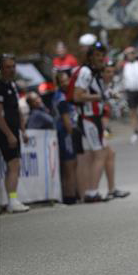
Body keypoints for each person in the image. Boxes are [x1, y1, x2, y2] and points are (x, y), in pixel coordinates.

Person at [73, 41, 109, 202]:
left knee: (89, 156)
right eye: (97, 55)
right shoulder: (86, 72)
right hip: (88, 118)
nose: (100, 58)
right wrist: (100, 97)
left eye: (102, 55)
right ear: (90, 57)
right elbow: (77, 95)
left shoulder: (94, 72)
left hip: (92, 117)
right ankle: (92, 192)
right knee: (99, 154)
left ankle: (88, 192)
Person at [0, 54, 29, 213]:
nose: (11, 70)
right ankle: (12, 200)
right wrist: (9, 134)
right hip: (4, 131)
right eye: (7, 67)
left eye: (13, 66)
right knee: (13, 164)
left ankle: (12, 199)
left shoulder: (13, 85)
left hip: (15, 130)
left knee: (14, 165)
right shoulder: (0, 86)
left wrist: (23, 131)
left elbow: (18, 110)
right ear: (1, 69)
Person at [100, 62, 131, 199]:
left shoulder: (110, 87)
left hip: (102, 123)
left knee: (110, 154)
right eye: (107, 71)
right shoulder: (98, 86)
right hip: (93, 124)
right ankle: (91, 191)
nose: (110, 74)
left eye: (112, 71)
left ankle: (111, 189)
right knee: (101, 155)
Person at [53, 71, 78, 204]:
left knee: (71, 164)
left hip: (66, 133)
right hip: (65, 133)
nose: (65, 83)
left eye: (66, 80)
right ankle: (70, 195)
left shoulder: (66, 95)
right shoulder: (61, 97)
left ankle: (73, 192)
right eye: (61, 81)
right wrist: (71, 133)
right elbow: (66, 119)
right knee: (69, 164)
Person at [122, 47, 138, 143]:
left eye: (132, 53)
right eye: (128, 54)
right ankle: (136, 132)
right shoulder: (124, 65)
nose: (131, 55)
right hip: (130, 91)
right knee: (133, 112)